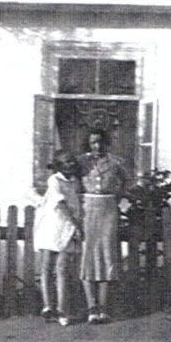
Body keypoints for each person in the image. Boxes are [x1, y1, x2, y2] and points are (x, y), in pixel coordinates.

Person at [77, 128, 127, 324]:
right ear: (88, 144)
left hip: (108, 210)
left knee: (107, 256)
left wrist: (117, 197)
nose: (97, 146)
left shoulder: (116, 162)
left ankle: (103, 308)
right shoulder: (82, 162)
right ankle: (92, 308)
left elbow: (127, 181)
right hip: (88, 210)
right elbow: (71, 182)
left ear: (106, 143)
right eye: (93, 142)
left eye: (100, 142)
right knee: (88, 258)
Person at [33, 151, 83, 327]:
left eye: (72, 161)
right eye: (66, 162)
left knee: (62, 269)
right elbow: (59, 203)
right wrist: (75, 223)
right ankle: (48, 306)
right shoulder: (54, 180)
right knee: (47, 267)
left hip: (66, 228)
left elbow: (77, 202)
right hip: (52, 225)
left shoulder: (74, 182)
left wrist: (75, 223)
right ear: (59, 165)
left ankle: (63, 309)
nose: (70, 164)